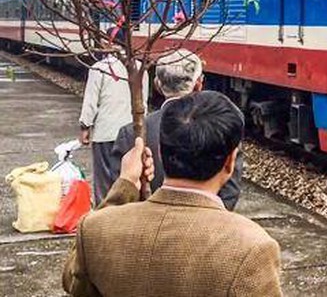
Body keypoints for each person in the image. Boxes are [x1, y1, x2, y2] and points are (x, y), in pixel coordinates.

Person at [62, 91, 282, 297]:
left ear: (159, 150)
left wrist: (126, 184)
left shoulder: (95, 230)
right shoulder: (251, 248)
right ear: (230, 162)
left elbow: (73, 283)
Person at [111, 49, 243, 210]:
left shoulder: (129, 134)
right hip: (206, 228)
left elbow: (118, 193)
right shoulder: (223, 128)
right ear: (198, 84)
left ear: (157, 84)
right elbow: (230, 193)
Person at [79, 53, 148, 206]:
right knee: (128, 180)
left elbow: (91, 101)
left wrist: (85, 126)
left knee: (104, 183)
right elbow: (143, 103)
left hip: (106, 133)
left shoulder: (100, 68)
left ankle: (103, 216)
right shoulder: (140, 69)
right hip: (131, 134)